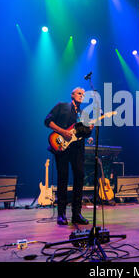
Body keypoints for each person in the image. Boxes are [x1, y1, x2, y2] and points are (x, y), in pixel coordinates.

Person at [45, 87, 93, 225]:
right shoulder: (62, 106)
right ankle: (61, 214)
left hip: (77, 149)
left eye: (83, 95)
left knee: (79, 178)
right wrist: (62, 132)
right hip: (62, 147)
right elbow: (47, 121)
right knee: (63, 179)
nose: (81, 96)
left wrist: (89, 130)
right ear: (72, 95)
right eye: (79, 93)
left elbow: (84, 134)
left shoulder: (84, 113)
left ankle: (77, 214)